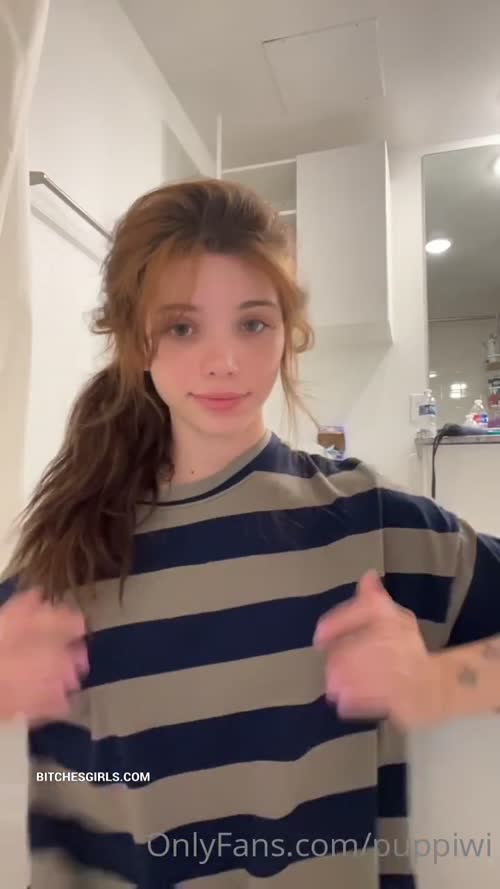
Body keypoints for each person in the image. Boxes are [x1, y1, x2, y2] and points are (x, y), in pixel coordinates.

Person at [0, 178, 499, 889]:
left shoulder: (371, 525)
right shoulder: (69, 553)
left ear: (288, 333)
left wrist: (437, 684)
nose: (224, 360)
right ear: (136, 341)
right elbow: (95, 777)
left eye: (253, 323)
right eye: (182, 327)